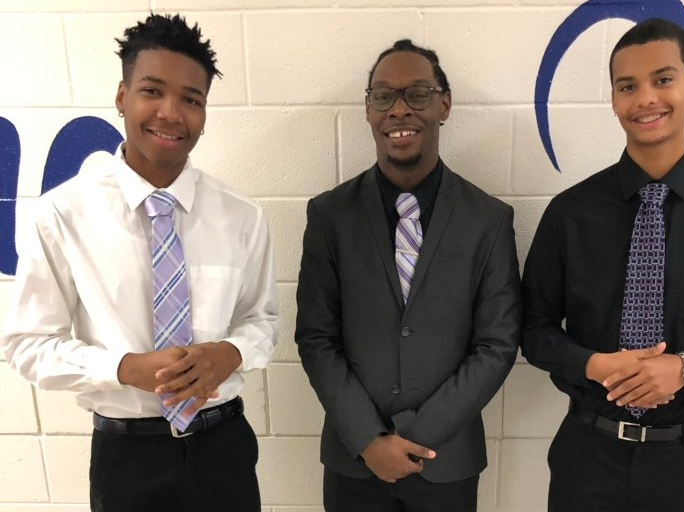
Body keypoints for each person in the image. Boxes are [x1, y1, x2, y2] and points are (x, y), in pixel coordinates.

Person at [0, 13, 278, 512]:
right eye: (153, 91)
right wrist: (123, 368)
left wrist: (229, 353)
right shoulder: (62, 215)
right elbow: (27, 345)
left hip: (224, 446)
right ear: (122, 96)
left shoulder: (242, 216)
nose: (171, 113)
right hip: (126, 457)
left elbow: (262, 321)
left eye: (191, 99)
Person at [521, 18, 684, 512]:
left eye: (663, 79)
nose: (646, 99)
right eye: (627, 86)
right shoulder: (571, 212)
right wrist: (591, 363)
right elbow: (532, 329)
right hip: (585, 455)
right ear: (614, 100)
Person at [295, 39, 521, 512]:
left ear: (444, 104)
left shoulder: (489, 219)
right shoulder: (329, 216)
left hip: (446, 463)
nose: (400, 110)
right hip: (354, 462)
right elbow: (317, 338)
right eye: (384, 96)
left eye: (417, 94)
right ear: (368, 109)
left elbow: (497, 345)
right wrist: (369, 438)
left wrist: (411, 436)